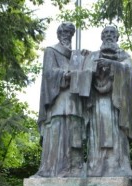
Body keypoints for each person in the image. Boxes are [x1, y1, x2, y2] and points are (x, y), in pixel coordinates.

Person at [34, 22, 87, 177]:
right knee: (57, 131)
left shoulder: (77, 55)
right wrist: (65, 74)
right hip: (57, 99)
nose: (67, 35)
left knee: (74, 131)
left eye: (70, 32)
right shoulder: (51, 51)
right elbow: (49, 73)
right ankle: (52, 168)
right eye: (64, 32)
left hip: (74, 100)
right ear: (59, 34)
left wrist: (85, 58)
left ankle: (74, 168)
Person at [85, 25, 132, 178]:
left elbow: (128, 72)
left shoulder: (123, 56)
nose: (108, 35)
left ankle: (117, 168)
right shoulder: (94, 56)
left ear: (117, 37)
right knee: (96, 136)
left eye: (112, 33)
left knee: (115, 136)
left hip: (115, 104)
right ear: (101, 36)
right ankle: (96, 168)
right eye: (105, 33)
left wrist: (111, 65)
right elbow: (84, 75)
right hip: (97, 104)